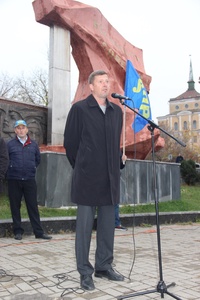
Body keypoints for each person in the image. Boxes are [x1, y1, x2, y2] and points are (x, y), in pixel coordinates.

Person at [64, 70, 124, 291]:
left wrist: (119, 161)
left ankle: (103, 266)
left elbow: (113, 145)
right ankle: (85, 272)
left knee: (108, 226)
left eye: (107, 81)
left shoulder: (116, 112)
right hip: (88, 178)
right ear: (91, 86)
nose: (105, 84)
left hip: (110, 179)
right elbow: (70, 144)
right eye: (100, 81)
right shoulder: (80, 109)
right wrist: (83, 165)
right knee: (84, 228)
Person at [6, 120, 52, 241]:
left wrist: (30, 169)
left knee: (32, 206)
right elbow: (6, 160)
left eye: (23, 128)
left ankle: (38, 232)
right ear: (15, 130)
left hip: (29, 179)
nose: (21, 130)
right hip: (14, 179)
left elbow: (37, 160)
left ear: (27, 130)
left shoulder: (33, 144)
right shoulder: (9, 144)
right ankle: (17, 231)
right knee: (15, 206)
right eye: (18, 128)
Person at [115, 153, 128, 231]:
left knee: (115, 201)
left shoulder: (116, 149)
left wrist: (123, 160)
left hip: (114, 177)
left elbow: (121, 166)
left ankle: (116, 223)